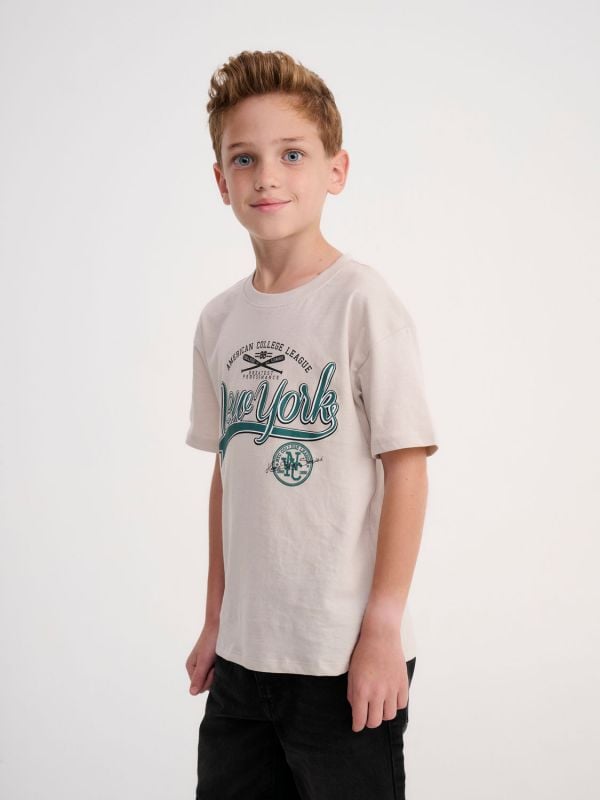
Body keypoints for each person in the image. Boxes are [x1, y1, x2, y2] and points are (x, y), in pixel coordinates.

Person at [184, 49, 439, 800]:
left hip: (341, 657)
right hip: (243, 660)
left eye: (292, 154)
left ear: (336, 169)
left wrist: (383, 628)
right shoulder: (219, 321)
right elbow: (228, 475)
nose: (267, 176)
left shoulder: (362, 303)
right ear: (221, 180)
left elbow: (407, 465)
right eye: (245, 158)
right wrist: (215, 620)